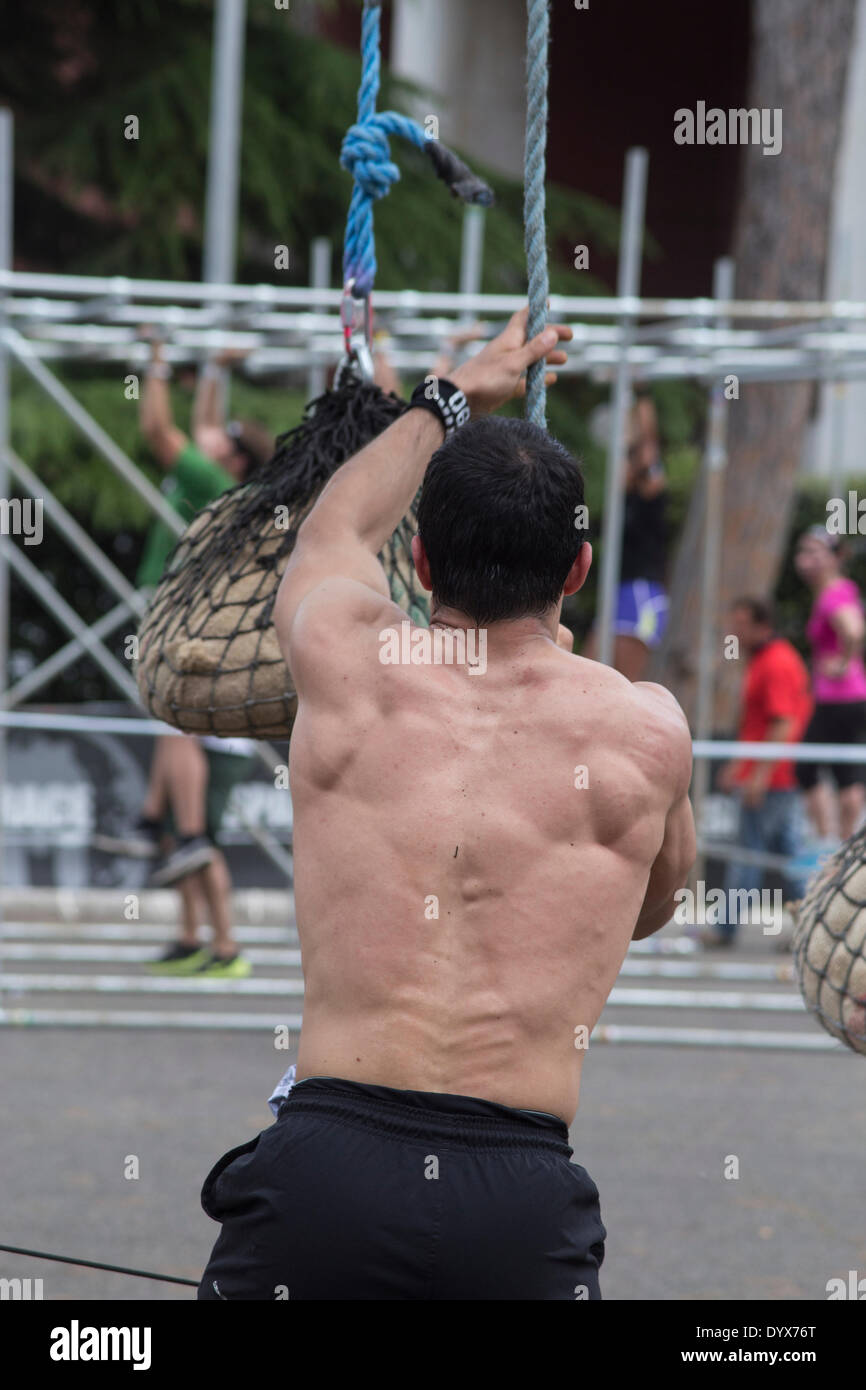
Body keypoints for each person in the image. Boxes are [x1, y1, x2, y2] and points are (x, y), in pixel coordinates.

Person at [197, 308, 695, 1301]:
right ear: (577, 571)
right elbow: (647, 906)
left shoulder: (348, 660)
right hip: (513, 1202)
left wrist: (452, 393)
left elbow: (336, 524)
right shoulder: (644, 732)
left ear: (419, 566)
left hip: (322, 1176)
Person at [94, 335, 269, 977]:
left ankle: (225, 945)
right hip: (182, 625)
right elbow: (196, 425)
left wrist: (157, 364)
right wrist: (217, 372)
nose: (210, 436)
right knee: (182, 822)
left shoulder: (211, 479)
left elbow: (159, 427)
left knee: (198, 835)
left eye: (222, 435)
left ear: (236, 457)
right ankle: (194, 933)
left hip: (178, 625)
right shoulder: (221, 475)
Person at [709, 598, 812, 948]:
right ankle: (813, 926)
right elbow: (758, 724)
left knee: (748, 855)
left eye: (739, 625)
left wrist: (759, 775)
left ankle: (725, 927)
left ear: (760, 625)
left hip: (773, 778)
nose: (733, 633)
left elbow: (783, 724)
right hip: (772, 774)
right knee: (787, 856)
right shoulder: (764, 659)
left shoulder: (776, 662)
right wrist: (741, 766)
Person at [583, 394, 668, 680]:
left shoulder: (652, 488)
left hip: (641, 594)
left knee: (624, 683)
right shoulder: (623, 495)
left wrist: (640, 395)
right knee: (590, 675)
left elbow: (648, 445)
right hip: (618, 592)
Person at [794, 526, 866, 845]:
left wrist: (843, 661)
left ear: (834, 558)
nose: (806, 560)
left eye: (815, 553)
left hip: (840, 698)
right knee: (843, 773)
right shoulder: (838, 590)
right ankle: (842, 844)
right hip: (847, 698)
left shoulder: (832, 594)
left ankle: (831, 844)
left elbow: (853, 630)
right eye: (803, 552)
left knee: (808, 768)